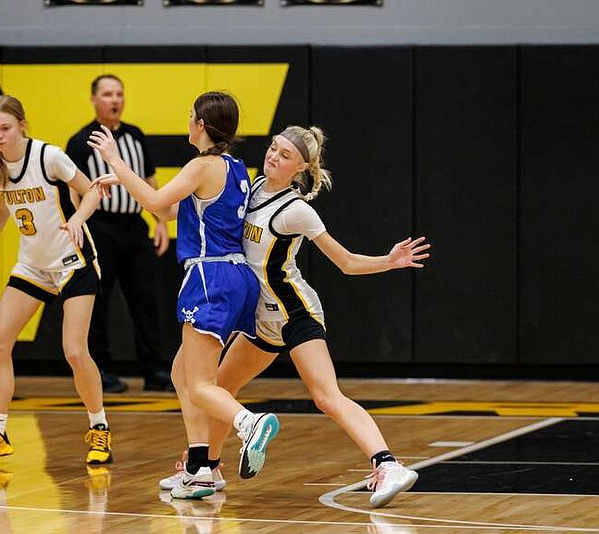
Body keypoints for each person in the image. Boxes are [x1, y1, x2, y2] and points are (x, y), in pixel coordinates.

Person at [159, 126, 430, 508]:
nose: (273, 156)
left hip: (295, 314)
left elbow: (346, 262)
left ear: (300, 167)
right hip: (259, 321)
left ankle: (388, 464)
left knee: (326, 396)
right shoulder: (250, 190)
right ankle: (208, 468)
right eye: (273, 148)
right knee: (218, 387)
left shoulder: (298, 210)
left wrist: (389, 261)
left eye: (285, 155)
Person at [88, 91, 280, 499]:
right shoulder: (233, 167)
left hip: (210, 277)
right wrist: (122, 180)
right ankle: (200, 467)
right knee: (181, 374)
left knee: (199, 383)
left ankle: (250, 424)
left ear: (202, 126)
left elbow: (157, 199)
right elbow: (171, 211)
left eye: (190, 116)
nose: (187, 121)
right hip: (237, 277)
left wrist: (115, 160)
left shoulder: (201, 164)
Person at [0, 94, 113, 466]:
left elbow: (94, 188)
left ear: (22, 125)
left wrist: (77, 220)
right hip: (32, 264)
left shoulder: (48, 157)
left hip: (73, 261)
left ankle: (99, 428)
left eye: (5, 128)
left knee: (75, 352)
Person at [66, 74, 172, 393]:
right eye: (108, 94)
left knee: (145, 299)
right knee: (97, 301)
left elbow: (150, 182)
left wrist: (162, 222)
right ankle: (101, 371)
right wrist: (79, 224)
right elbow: (72, 189)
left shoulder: (136, 136)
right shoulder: (80, 140)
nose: (115, 100)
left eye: (119, 94)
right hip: (99, 228)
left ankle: (153, 370)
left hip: (135, 227)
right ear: (94, 100)